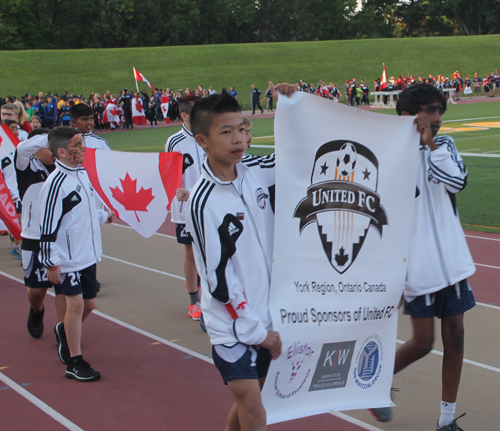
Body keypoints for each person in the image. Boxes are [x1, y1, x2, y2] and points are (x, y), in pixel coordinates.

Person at [369, 84, 475, 431]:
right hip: (417, 264)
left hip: (452, 259)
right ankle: (376, 382)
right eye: (430, 111)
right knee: (422, 343)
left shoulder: (442, 145)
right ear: (408, 114)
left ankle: (446, 420)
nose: (438, 119)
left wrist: (430, 144)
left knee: (456, 335)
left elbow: (456, 181)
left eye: (440, 112)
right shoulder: (387, 153)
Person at [185, 89, 282, 431]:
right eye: (226, 132)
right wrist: (255, 330)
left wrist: (290, 104)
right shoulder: (202, 202)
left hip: (268, 314)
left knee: (248, 406)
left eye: (241, 128)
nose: (238, 139)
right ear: (202, 140)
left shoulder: (255, 170)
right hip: (233, 326)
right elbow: (218, 280)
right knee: (255, 411)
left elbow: (299, 152)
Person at [39, 127, 113, 381]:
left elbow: (89, 210)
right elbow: (47, 226)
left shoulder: (83, 174)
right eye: (76, 146)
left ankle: (63, 330)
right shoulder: (54, 184)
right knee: (76, 304)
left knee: (89, 305)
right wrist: (51, 263)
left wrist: (105, 216)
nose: (82, 150)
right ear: (61, 151)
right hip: (67, 257)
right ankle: (75, 362)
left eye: (81, 145)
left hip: (88, 254)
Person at [14, 129, 66, 340]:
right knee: (37, 291)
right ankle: (36, 310)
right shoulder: (25, 166)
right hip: (34, 237)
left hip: (61, 236)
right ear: (36, 149)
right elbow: (22, 148)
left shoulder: (64, 168)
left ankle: (64, 330)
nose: (53, 150)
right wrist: (58, 136)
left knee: (64, 288)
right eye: (49, 146)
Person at [165, 95, 205, 321]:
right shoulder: (175, 141)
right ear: (184, 116)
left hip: (210, 205)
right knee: (191, 252)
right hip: (185, 208)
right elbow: (169, 175)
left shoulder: (210, 134)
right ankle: (194, 301)